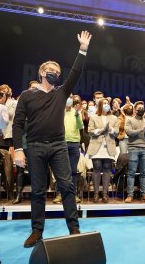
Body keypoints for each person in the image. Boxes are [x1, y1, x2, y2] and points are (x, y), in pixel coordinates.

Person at [13, 30, 92, 248]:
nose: (54, 73)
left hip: (59, 146)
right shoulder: (27, 96)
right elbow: (18, 124)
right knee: (38, 191)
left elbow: (75, 72)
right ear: (41, 73)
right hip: (35, 147)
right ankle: (37, 231)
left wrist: (82, 50)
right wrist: (18, 149)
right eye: (50, 70)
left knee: (67, 187)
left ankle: (74, 229)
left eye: (57, 71)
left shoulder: (61, 93)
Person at [86, 98, 119, 203]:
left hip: (109, 147)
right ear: (100, 105)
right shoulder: (94, 117)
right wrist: (101, 130)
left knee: (106, 169)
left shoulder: (114, 117)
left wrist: (110, 130)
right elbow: (90, 131)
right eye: (104, 103)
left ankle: (105, 194)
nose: (106, 105)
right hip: (97, 147)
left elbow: (117, 132)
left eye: (107, 103)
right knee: (97, 168)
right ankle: (96, 194)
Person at [124, 101, 145, 203]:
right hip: (133, 148)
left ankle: (144, 195)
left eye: (142, 108)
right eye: (139, 108)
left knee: (144, 173)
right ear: (135, 109)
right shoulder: (129, 120)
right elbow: (129, 133)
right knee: (131, 173)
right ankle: (130, 195)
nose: (141, 110)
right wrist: (142, 129)